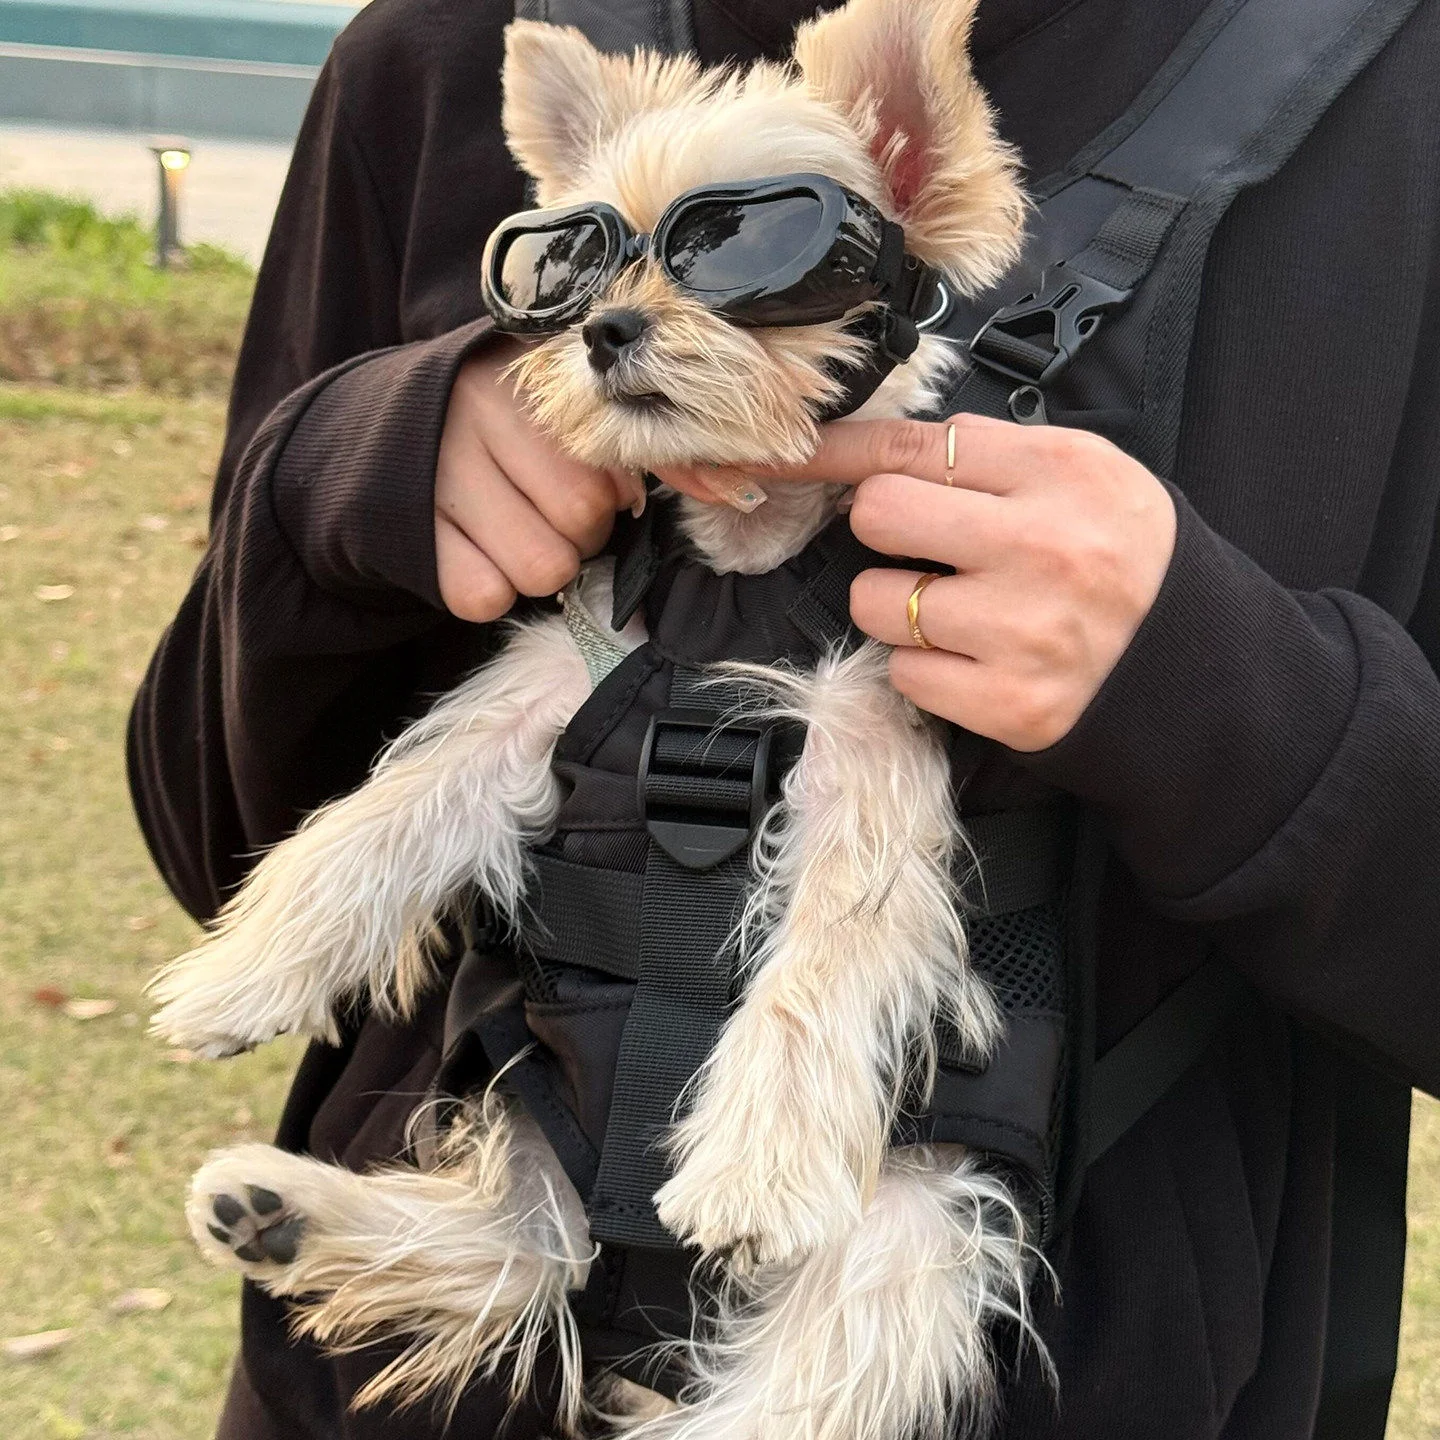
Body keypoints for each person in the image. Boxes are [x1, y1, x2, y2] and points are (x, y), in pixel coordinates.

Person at [127, 0, 1440, 1436]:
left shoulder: (1397, 88)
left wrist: (1230, 689)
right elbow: (211, 828)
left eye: (753, 251)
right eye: (568, 274)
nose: (615, 316)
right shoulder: (438, 48)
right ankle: (438, 1241)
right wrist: (336, 481)